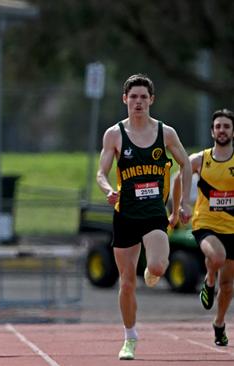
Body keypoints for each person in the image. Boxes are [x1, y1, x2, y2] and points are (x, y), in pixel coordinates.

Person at [96, 74, 193, 360]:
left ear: (151, 100)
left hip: (153, 212)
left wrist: (182, 204)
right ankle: (130, 337)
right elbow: (101, 171)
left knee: (159, 267)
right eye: (133, 97)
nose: (138, 102)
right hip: (124, 213)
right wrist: (107, 190)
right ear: (125, 100)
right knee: (126, 282)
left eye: (143, 97)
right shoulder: (114, 134)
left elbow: (185, 164)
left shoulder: (166, 133)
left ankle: (151, 270)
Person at [171, 108, 234, 347]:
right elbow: (178, 178)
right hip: (205, 223)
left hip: (232, 228)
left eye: (226, 126)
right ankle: (208, 281)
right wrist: (180, 206)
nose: (222, 130)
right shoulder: (201, 159)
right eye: (218, 126)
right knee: (217, 256)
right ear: (212, 131)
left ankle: (219, 324)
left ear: (233, 131)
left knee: (227, 287)